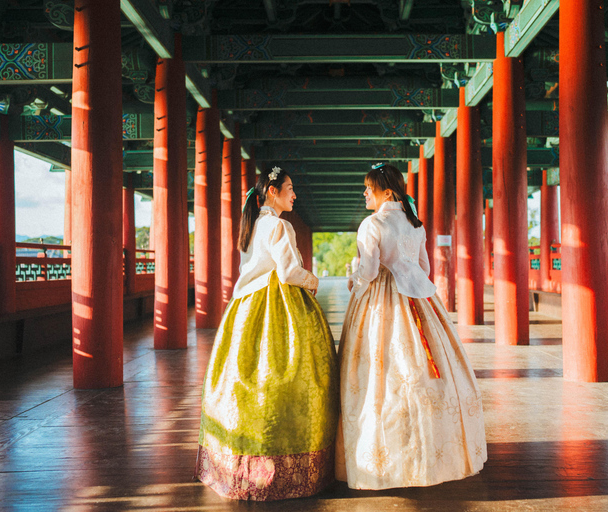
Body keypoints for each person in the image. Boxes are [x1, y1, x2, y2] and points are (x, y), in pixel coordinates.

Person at [336, 162, 487, 490]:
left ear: (385, 192)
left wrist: (354, 281)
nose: (364, 193)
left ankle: (387, 454)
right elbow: (424, 267)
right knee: (426, 368)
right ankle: (435, 449)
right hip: (420, 301)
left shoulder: (372, 224)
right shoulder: (415, 224)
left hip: (380, 300)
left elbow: (370, 269)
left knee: (378, 372)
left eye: (369, 189)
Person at [195, 166, 339, 501]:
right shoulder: (278, 225)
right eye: (289, 188)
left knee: (245, 382)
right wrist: (314, 282)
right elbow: (288, 272)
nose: (294, 194)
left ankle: (238, 463)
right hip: (280, 306)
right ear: (272, 191)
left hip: (246, 308)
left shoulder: (253, 225)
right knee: (293, 377)